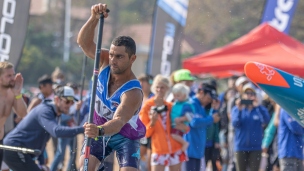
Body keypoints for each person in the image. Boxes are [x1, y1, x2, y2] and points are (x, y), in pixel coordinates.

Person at [77, 3, 146, 171]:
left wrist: (99, 131)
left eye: (120, 57)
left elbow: (119, 121)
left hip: (124, 135)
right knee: (84, 168)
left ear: (132, 59)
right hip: (98, 129)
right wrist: (93, 18)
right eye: (113, 55)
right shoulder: (105, 60)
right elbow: (83, 43)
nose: (113, 60)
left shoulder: (133, 92)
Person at [3, 86, 84, 171]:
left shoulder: (54, 113)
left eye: (72, 102)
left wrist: (42, 164)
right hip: (14, 148)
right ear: (57, 99)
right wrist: (83, 129)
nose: (70, 105)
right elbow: (56, 131)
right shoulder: (45, 111)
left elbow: (42, 140)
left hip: (21, 150)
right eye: (67, 101)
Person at [140, 75, 187, 171]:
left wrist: (184, 127)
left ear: (167, 89)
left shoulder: (171, 106)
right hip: (159, 149)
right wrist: (152, 123)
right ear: (153, 88)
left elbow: (184, 128)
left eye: (162, 87)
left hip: (175, 148)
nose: (159, 90)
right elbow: (145, 133)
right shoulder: (147, 106)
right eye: (157, 87)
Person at [231, 83, 270, 171]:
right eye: (247, 93)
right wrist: (239, 110)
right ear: (242, 95)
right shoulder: (237, 109)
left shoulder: (260, 109)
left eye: (251, 94)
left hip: (255, 147)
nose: (249, 96)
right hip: (241, 146)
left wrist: (258, 106)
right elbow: (235, 124)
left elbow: (266, 121)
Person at [184, 83, 220, 171]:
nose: (209, 101)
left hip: (198, 151)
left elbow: (207, 123)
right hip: (190, 151)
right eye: (208, 98)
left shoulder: (201, 106)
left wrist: (213, 109)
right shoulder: (191, 103)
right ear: (201, 92)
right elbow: (194, 122)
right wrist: (211, 118)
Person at [0, 61, 27, 169]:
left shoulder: (12, 93)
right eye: (8, 76)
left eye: (13, 74)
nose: (13, 78)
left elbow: (23, 114)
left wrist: (17, 94)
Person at [170, 83, 194, 152]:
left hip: (180, 125)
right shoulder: (177, 103)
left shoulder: (186, 105)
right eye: (174, 95)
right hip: (176, 124)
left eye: (178, 96)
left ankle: (185, 143)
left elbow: (190, 116)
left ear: (184, 95)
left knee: (174, 135)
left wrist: (181, 119)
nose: (176, 97)